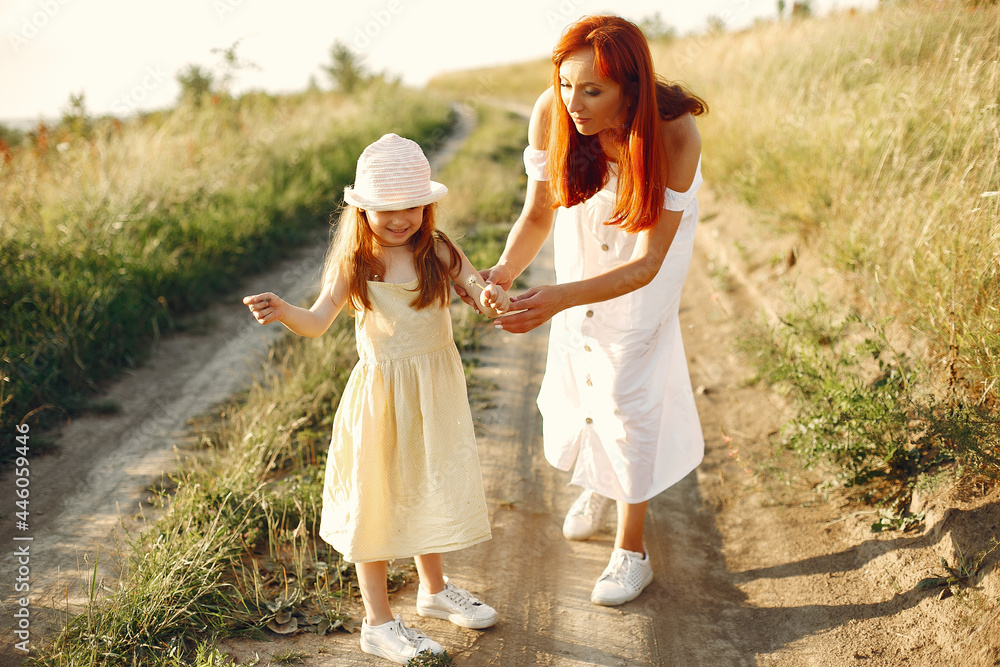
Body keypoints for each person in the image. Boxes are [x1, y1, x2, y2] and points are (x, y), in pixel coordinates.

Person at [461, 15, 708, 607]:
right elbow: (540, 213)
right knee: (582, 359)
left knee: (627, 384)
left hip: (646, 248)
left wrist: (559, 298)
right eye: (567, 84)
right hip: (585, 234)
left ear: (630, 86)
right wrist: (504, 272)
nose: (573, 102)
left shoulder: (674, 135)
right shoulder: (553, 111)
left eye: (592, 90)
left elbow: (648, 263)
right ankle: (602, 483)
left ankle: (632, 552)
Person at [244, 133, 510, 664]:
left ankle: (434, 592)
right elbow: (318, 322)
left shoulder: (437, 249)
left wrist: (491, 295)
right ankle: (378, 622)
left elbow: (480, 292)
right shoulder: (357, 261)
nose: (400, 218)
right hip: (382, 397)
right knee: (379, 500)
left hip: (433, 396)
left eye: (412, 205)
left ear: (426, 204)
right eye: (386, 208)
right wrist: (283, 309)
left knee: (426, 484)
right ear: (362, 208)